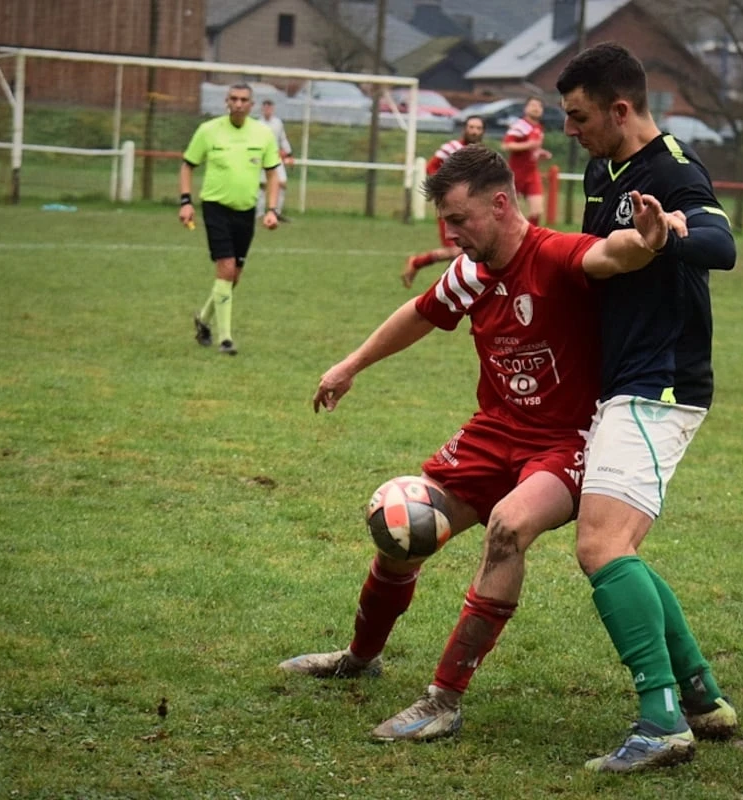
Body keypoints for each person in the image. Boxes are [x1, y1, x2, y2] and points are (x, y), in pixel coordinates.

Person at [279, 146, 684, 743]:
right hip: (492, 432)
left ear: (500, 204)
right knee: (403, 526)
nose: (451, 233)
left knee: (507, 528)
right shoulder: (470, 272)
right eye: (445, 221)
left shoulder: (554, 254)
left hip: (564, 442)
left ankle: (444, 698)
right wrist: (351, 365)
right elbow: (419, 313)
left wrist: (648, 240)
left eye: (460, 219)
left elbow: (610, 253)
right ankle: (360, 658)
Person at [555, 42, 739, 773]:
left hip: (660, 383)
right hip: (625, 379)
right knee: (617, 549)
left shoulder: (672, 170)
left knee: (599, 547)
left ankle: (661, 721)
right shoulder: (606, 166)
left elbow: (722, 244)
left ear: (620, 109)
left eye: (579, 117)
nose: (570, 131)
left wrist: (670, 237)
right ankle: (699, 693)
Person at [180, 83, 282, 356]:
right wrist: (186, 202)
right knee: (225, 268)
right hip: (215, 207)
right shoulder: (208, 131)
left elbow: (273, 173)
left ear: (252, 105)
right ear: (226, 102)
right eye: (234, 99)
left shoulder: (263, 134)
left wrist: (272, 209)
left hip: (246, 211)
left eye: (244, 100)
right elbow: (188, 165)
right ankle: (225, 339)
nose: (238, 104)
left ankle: (203, 319)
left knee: (233, 276)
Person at [402, 115, 486, 288]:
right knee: (457, 250)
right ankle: (418, 264)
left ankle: (445, 290)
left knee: (463, 252)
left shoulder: (480, 154)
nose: (474, 131)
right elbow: (431, 167)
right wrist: (446, 190)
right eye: (471, 127)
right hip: (449, 208)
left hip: (467, 209)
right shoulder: (452, 148)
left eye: (478, 128)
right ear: (465, 128)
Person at [500, 96, 552, 226]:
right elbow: (507, 145)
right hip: (516, 173)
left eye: (539, 106)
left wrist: (540, 152)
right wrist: (528, 145)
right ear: (525, 108)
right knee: (509, 212)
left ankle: (529, 240)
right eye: (533, 105)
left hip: (532, 173)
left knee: (537, 211)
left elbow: (533, 148)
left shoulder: (539, 127)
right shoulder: (520, 126)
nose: (536, 108)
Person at [257, 98, 296, 221]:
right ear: (262, 109)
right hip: (262, 158)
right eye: (265, 107)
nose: (267, 110)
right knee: (262, 185)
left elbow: (282, 138)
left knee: (282, 183)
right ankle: (259, 213)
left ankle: (276, 213)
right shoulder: (258, 124)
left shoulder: (278, 123)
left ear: (272, 109)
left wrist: (288, 154)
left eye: (270, 107)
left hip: (276, 157)